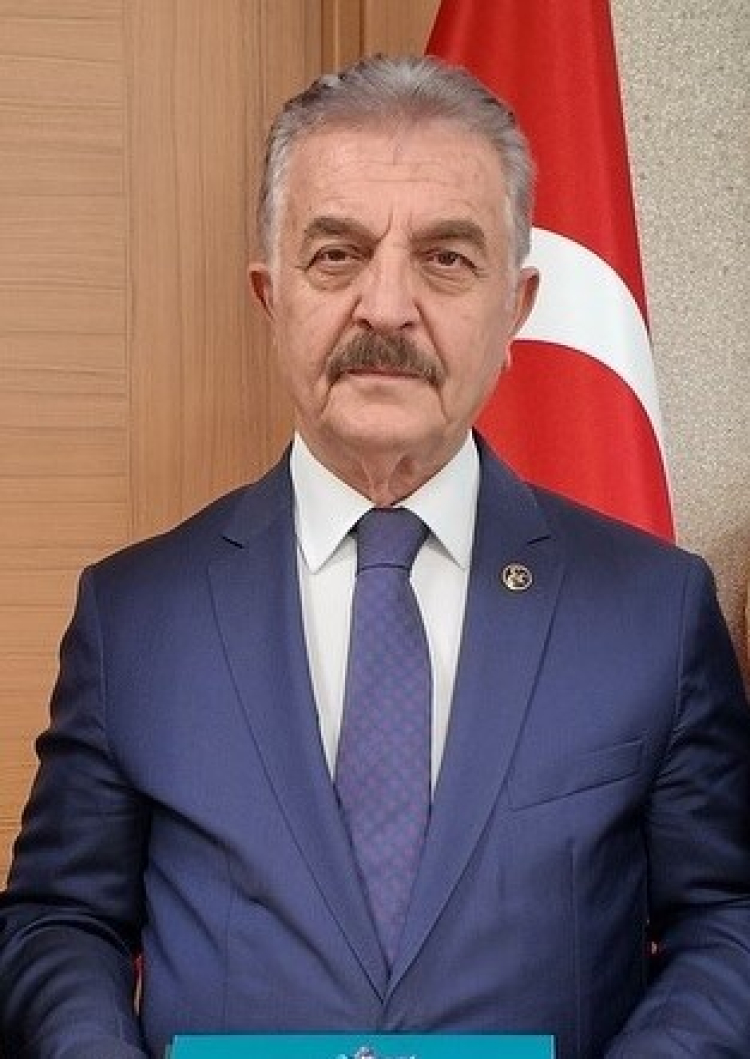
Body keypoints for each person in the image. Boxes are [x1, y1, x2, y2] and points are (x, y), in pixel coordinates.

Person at [1, 54, 749, 1059]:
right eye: (337, 255)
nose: (386, 307)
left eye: (446, 258)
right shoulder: (133, 614)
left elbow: (727, 920)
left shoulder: (653, 609)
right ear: (272, 297)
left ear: (516, 306)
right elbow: (58, 920)